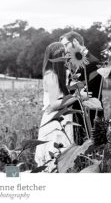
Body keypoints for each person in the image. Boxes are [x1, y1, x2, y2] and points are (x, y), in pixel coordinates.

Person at [34, 42, 74, 172]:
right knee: (53, 159)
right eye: (64, 54)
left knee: (63, 159)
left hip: (63, 119)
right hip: (54, 121)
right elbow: (54, 105)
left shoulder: (64, 73)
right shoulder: (51, 76)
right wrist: (77, 97)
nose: (67, 56)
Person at [60, 31, 104, 144]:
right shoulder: (73, 62)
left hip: (92, 119)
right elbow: (75, 90)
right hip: (77, 117)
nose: (65, 49)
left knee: (94, 155)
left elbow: (90, 94)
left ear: (75, 41)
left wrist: (75, 94)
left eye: (66, 45)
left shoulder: (94, 63)